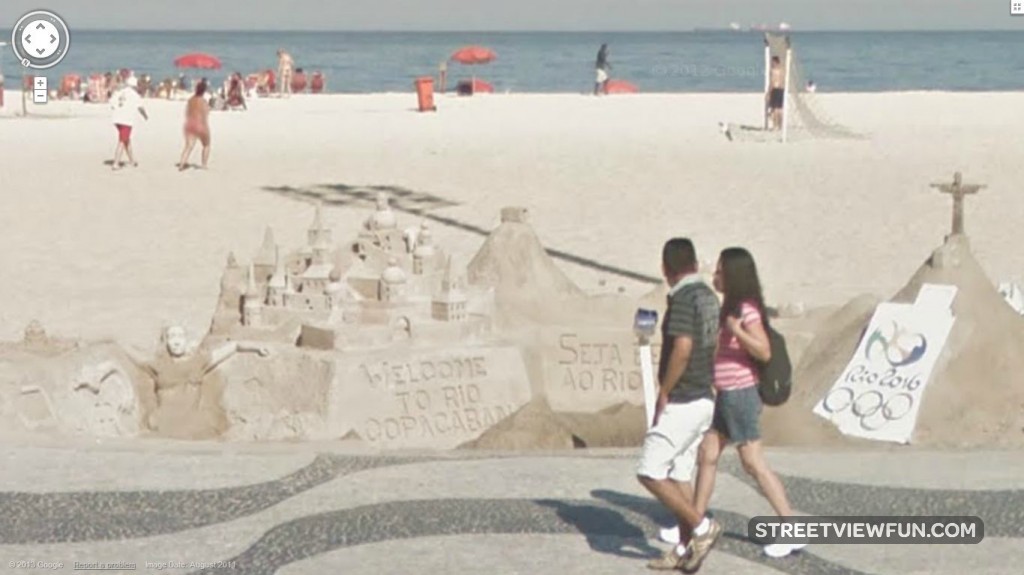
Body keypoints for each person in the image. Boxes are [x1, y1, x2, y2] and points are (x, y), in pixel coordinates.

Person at [661, 247, 805, 559]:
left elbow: (764, 351)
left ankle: (792, 527)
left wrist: (737, 330)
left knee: (753, 463)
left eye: (720, 272)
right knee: (707, 455)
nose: (715, 277)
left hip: (740, 395)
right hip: (726, 395)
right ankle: (694, 522)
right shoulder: (731, 306)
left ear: (734, 275)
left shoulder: (745, 310)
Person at [636, 238, 724, 572]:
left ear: (665, 269)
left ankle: (702, 528)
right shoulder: (709, 297)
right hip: (704, 396)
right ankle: (684, 549)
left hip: (684, 398)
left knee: (650, 469)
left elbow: (683, 348)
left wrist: (665, 389)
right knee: (680, 473)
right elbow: (712, 345)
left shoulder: (684, 299)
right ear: (695, 264)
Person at [110, 76, 148, 171]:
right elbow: (140, 107)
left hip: (116, 118)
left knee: (126, 140)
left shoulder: (120, 92)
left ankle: (132, 160)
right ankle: (116, 163)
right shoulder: (134, 95)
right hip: (126, 120)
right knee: (122, 141)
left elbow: (112, 103)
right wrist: (145, 115)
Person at [177, 80, 212, 171]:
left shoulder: (190, 100)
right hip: (200, 124)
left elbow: (187, 112)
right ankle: (204, 164)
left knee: (188, 146)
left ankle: (182, 164)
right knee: (206, 145)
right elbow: (205, 113)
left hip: (190, 123)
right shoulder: (203, 101)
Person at [767, 56, 785, 130]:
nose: (771, 64)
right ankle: (780, 125)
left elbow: (772, 81)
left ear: (775, 62)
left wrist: (768, 92)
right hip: (781, 89)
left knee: (775, 109)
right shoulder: (782, 70)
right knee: (780, 109)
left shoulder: (773, 71)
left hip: (775, 89)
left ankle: (775, 126)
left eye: (772, 62)